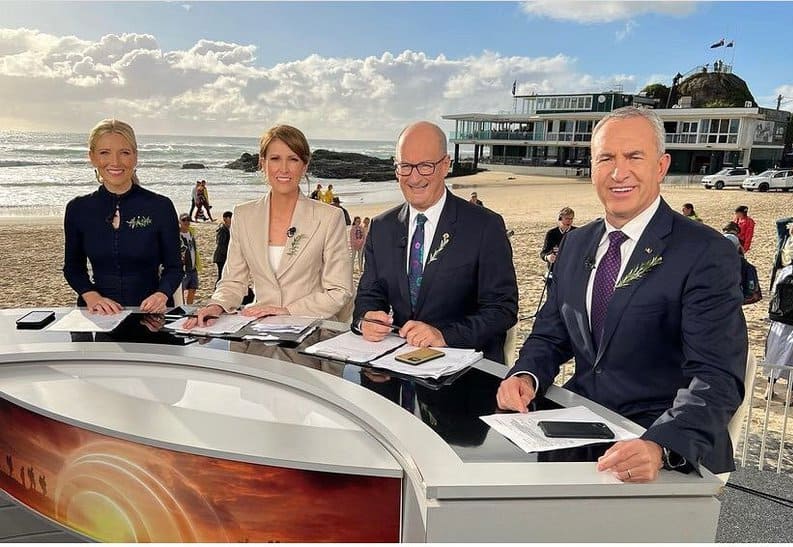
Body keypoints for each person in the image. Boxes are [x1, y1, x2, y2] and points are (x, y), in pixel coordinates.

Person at [496, 106, 746, 481]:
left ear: (661, 166)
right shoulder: (576, 242)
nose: (618, 172)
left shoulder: (706, 252)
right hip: (579, 430)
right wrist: (526, 376)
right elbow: (551, 333)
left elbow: (717, 377)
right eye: (606, 158)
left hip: (657, 448)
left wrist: (661, 445)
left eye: (633, 157)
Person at [353, 121, 518, 364]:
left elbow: (502, 309)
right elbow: (369, 294)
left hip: (466, 375)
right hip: (400, 366)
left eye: (426, 166)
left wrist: (443, 335)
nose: (414, 177)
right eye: (406, 166)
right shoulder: (381, 227)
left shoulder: (485, 226)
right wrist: (366, 318)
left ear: (445, 165)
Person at [187, 124, 352, 327]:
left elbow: (339, 290)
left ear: (305, 165)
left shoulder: (329, 217)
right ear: (262, 163)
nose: (284, 168)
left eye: (293, 159)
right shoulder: (244, 215)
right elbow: (233, 281)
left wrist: (287, 312)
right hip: (257, 335)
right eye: (275, 159)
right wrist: (217, 305)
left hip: (311, 334)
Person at [63, 118, 182, 314]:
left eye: (124, 153)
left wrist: (161, 294)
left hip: (151, 315)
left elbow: (175, 267)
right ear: (92, 157)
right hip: (98, 314)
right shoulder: (78, 208)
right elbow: (73, 268)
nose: (115, 162)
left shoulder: (161, 206)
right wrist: (92, 296)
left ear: (135, 156)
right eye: (104, 153)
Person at [763, 219, 793, 405]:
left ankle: (769, 389)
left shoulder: (787, 266)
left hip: (781, 315)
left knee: (775, 351)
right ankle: (789, 394)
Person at [178, 213, 202, 304]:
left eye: (188, 220)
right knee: (182, 290)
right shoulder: (177, 236)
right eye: (184, 220)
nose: (186, 222)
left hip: (193, 266)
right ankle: (183, 307)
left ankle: (189, 307)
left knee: (193, 288)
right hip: (183, 268)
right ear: (179, 221)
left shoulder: (191, 233)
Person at [212, 211, 233, 282]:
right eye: (230, 218)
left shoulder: (228, 228)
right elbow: (220, 244)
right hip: (221, 256)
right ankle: (216, 290)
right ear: (226, 219)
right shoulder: (222, 229)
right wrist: (227, 254)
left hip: (223, 256)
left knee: (224, 275)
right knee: (221, 276)